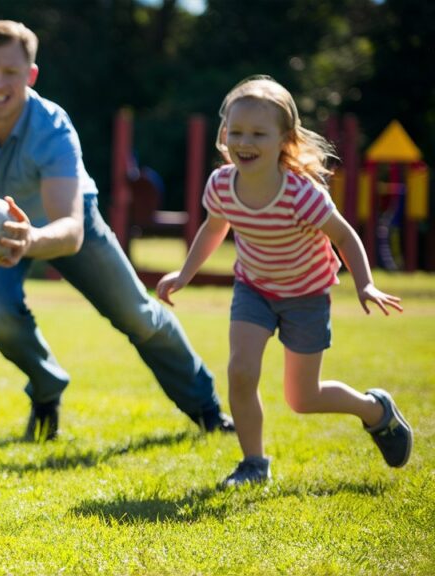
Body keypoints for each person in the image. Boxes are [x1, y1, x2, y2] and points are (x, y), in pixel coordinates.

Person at [0, 20, 232, 441]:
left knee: (136, 316)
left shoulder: (51, 126)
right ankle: (45, 389)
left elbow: (69, 228)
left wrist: (30, 239)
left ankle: (207, 411)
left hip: (67, 224)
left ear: (30, 76)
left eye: (10, 72)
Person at [155, 76, 410, 486]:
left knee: (302, 398)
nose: (245, 141)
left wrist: (365, 283)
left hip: (307, 296)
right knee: (240, 371)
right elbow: (213, 228)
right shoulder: (221, 184)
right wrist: (184, 273)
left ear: (284, 139)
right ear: (224, 135)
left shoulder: (300, 194)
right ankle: (254, 463)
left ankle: (375, 411)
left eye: (258, 133)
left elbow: (344, 235)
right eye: (236, 132)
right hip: (253, 289)